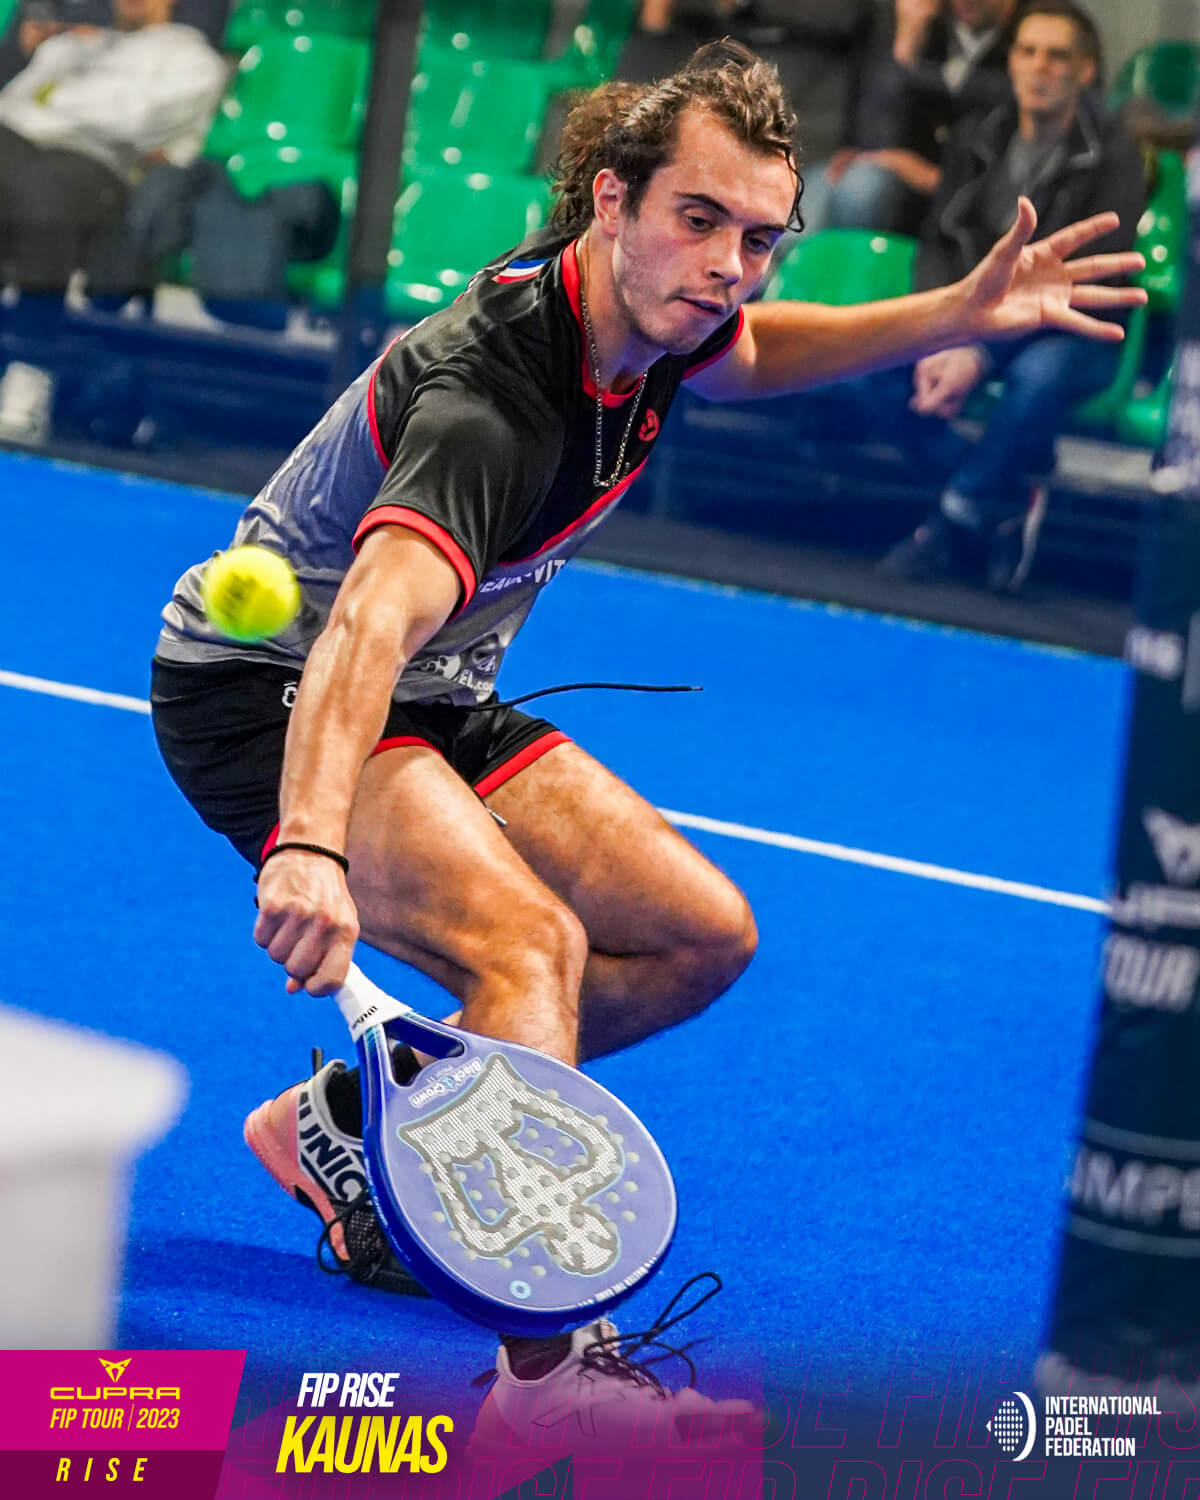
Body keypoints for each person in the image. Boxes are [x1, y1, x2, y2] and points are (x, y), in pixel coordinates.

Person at [149, 40, 1144, 1446]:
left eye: (761, 237)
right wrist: (307, 844)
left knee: (700, 934)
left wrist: (955, 313)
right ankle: (548, 1379)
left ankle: (347, 1120)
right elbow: (364, 627)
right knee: (529, 949)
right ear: (611, 201)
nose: (731, 266)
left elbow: (755, 356)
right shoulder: (495, 396)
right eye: (700, 219)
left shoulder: (657, 317)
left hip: (434, 684)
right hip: (275, 684)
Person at [876, 0, 1145, 589]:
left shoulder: (1118, 155)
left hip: (1072, 327)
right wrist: (938, 330)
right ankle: (1003, 490)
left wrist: (977, 349)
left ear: (1086, 71)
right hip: (974, 317)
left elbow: (1090, 279)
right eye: (1027, 51)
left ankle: (954, 520)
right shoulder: (977, 134)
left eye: (1057, 55)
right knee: (873, 365)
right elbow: (937, 243)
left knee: (1039, 379)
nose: (1039, 66)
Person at [0, 0, 226, 441]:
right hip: (23, 153)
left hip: (105, 171)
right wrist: (71, 107)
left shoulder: (193, 60)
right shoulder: (71, 46)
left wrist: (53, 102)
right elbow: (8, 106)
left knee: (46, 193)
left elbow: (131, 124)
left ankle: (29, 372)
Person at [809, 0, 1019, 235]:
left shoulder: (1030, 40)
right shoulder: (927, 24)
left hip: (952, 188)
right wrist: (907, 45)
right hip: (893, 169)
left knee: (861, 190)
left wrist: (926, 174)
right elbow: (873, 123)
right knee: (791, 223)